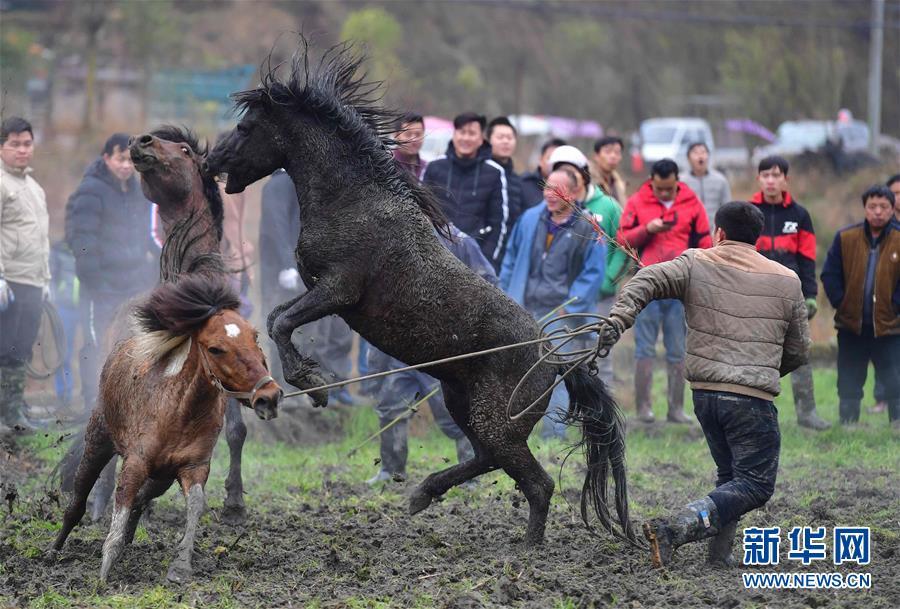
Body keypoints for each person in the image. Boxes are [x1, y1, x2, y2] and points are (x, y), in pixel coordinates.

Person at [601, 201, 808, 568]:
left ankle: (719, 556)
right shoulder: (787, 280)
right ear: (756, 238)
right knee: (756, 485)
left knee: (731, 477)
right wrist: (762, 372)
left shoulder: (696, 262)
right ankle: (676, 528)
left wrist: (619, 319)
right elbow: (798, 350)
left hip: (705, 396)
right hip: (751, 399)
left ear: (720, 234)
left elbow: (646, 279)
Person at [367, 223, 498, 484]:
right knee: (392, 407)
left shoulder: (460, 242)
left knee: (455, 413)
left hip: (444, 350)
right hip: (402, 349)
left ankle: (469, 475)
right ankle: (391, 472)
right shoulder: (394, 240)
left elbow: (490, 284)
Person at [500, 168, 606, 439]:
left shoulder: (588, 227)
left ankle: (553, 435)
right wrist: (507, 295)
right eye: (547, 188)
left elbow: (593, 272)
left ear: (572, 193)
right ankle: (516, 431)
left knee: (555, 374)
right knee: (517, 371)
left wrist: (568, 308)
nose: (549, 195)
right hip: (525, 308)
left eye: (557, 190)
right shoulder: (530, 219)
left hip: (560, 315)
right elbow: (511, 259)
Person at [65, 133, 159, 416]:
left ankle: (124, 405)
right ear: (106, 158)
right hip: (101, 287)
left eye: (130, 160)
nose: (126, 166)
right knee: (96, 344)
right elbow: (81, 237)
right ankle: (91, 406)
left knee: (129, 344)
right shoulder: (90, 191)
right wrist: (94, 280)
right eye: (120, 159)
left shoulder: (137, 191)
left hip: (132, 283)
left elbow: (147, 234)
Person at [617, 159, 711, 424]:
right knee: (644, 348)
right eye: (660, 189)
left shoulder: (692, 203)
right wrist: (647, 229)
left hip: (680, 287)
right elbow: (622, 238)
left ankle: (676, 409)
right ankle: (643, 408)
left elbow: (704, 242)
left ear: (678, 181)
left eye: (670, 189)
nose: (665, 194)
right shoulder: (637, 201)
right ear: (651, 181)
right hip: (647, 285)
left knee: (678, 348)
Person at [258, 169, 355, 405]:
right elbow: (276, 226)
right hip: (283, 275)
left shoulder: (301, 181)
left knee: (309, 335)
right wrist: (286, 266)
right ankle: (288, 395)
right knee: (286, 332)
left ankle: (307, 393)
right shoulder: (279, 184)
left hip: (303, 272)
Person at [749, 155, 830, 430]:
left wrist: (811, 294)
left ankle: (807, 414)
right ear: (758, 178)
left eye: (776, 175)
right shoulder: (748, 212)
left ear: (785, 178)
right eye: (765, 175)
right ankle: (753, 414)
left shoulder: (800, 215)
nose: (770, 180)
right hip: (755, 296)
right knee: (754, 356)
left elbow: (807, 259)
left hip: (793, 295)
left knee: (800, 354)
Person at [821, 185, 900, 428]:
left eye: (883, 207)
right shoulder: (846, 237)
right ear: (864, 208)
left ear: (892, 209)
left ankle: (896, 424)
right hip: (851, 325)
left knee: (894, 378)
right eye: (872, 207)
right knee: (849, 378)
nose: (878, 212)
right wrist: (841, 303)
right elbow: (829, 274)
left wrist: (896, 306)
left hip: (889, 328)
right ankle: (848, 423)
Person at [551, 145, 627, 389]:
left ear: (582, 174)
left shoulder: (607, 206)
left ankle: (602, 415)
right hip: (567, 295)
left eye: (571, 171)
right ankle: (575, 408)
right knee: (569, 351)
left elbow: (622, 247)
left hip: (601, 297)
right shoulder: (557, 209)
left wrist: (607, 280)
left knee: (600, 351)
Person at [0, 117, 49, 433]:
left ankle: (13, 411)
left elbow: (41, 237)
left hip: (33, 280)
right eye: (14, 144)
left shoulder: (34, 187)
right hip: (9, 281)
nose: (22, 150)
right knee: (3, 348)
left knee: (22, 347)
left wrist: (46, 280)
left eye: (26, 143)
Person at [422, 112, 509, 270]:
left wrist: (486, 261)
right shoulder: (434, 167)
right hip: (435, 257)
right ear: (454, 135)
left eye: (472, 133)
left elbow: (498, 223)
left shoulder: (494, 172)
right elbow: (421, 211)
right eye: (462, 132)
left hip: (476, 261)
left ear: (481, 139)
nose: (466, 138)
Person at [871, 174, 900, 414]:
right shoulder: (879, 232)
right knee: (885, 355)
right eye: (895, 193)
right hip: (886, 306)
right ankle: (882, 399)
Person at [49, 241, 80, 409]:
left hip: (87, 304)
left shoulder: (90, 246)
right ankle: (63, 398)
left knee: (92, 349)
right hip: (65, 307)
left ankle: (92, 396)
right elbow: (51, 277)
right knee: (64, 353)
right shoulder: (59, 249)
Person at [681, 142, 731, 231]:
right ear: (688, 158)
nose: (700, 156)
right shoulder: (681, 181)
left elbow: (727, 207)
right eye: (696, 153)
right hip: (689, 232)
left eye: (703, 152)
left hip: (714, 231)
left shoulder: (720, 180)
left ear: (708, 156)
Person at [487, 116, 524, 230]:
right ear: (488, 140)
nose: (506, 141)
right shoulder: (481, 174)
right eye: (500, 137)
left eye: (509, 137)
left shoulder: (516, 180)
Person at [520, 138, 566, 211]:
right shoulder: (523, 184)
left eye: (559, 159)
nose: (553, 163)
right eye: (549, 158)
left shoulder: (570, 189)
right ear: (540, 160)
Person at [592, 135, 627, 204]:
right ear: (596, 156)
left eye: (617, 152)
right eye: (608, 152)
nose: (613, 156)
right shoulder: (587, 180)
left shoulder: (619, 183)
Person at [393, 113, 427, 179]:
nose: (413, 140)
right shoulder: (386, 165)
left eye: (418, 134)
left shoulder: (427, 168)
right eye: (408, 134)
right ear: (396, 135)